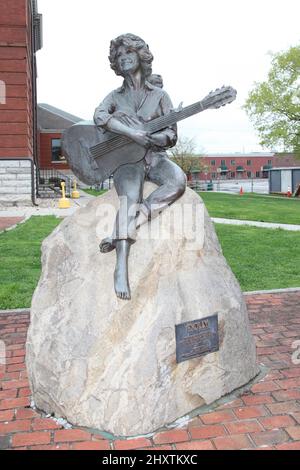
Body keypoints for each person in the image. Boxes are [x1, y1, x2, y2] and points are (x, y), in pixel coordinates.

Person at [94, 33, 186, 300]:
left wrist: (151, 137)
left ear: (140, 57)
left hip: (155, 156)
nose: (124, 59)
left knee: (177, 181)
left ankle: (138, 219)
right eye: (119, 57)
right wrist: (130, 132)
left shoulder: (160, 95)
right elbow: (100, 116)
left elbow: (171, 135)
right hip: (126, 161)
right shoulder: (114, 96)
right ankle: (120, 267)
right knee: (130, 198)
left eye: (129, 54)